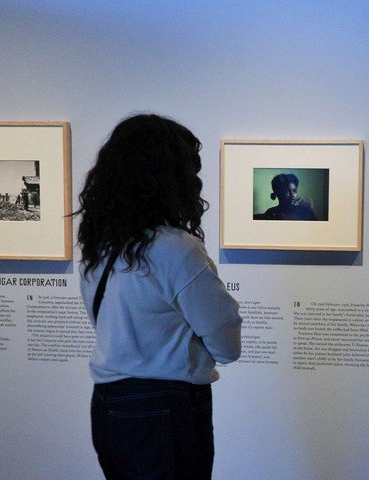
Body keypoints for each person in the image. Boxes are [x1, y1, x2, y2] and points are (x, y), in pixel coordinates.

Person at [75, 113, 242, 479]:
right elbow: (227, 344)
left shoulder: (100, 247)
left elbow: (108, 326)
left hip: (109, 403)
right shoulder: (176, 249)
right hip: (165, 409)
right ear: (172, 178)